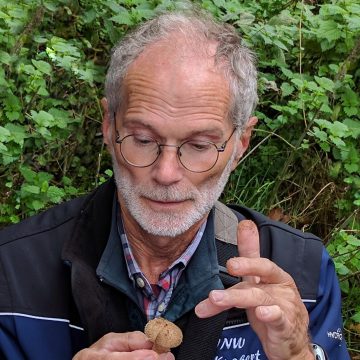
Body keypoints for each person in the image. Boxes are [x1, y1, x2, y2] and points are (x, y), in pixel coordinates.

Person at [0, 8, 350, 360]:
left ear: (241, 143)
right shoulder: (11, 274)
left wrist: (297, 355)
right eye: (142, 139)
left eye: (199, 146)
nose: (166, 173)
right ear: (109, 126)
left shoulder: (302, 274)